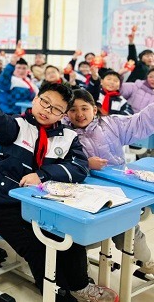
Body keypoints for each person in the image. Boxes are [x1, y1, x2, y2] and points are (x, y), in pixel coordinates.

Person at [0, 77, 117, 302]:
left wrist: (42, 175)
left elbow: (80, 167)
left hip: (45, 205)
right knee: (37, 248)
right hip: (6, 204)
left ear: (63, 114)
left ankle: (80, 286)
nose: (47, 110)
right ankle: (57, 294)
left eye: (56, 109)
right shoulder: (17, 127)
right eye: (45, 102)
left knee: (69, 235)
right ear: (35, 99)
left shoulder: (68, 137)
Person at [66, 89, 154, 276]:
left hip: (118, 192)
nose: (79, 114)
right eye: (73, 110)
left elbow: (141, 121)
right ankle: (81, 275)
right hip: (84, 196)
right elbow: (60, 163)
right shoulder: (64, 133)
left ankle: (147, 262)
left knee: (129, 234)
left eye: (84, 108)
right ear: (66, 113)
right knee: (78, 239)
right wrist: (86, 164)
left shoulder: (111, 124)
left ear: (94, 109)